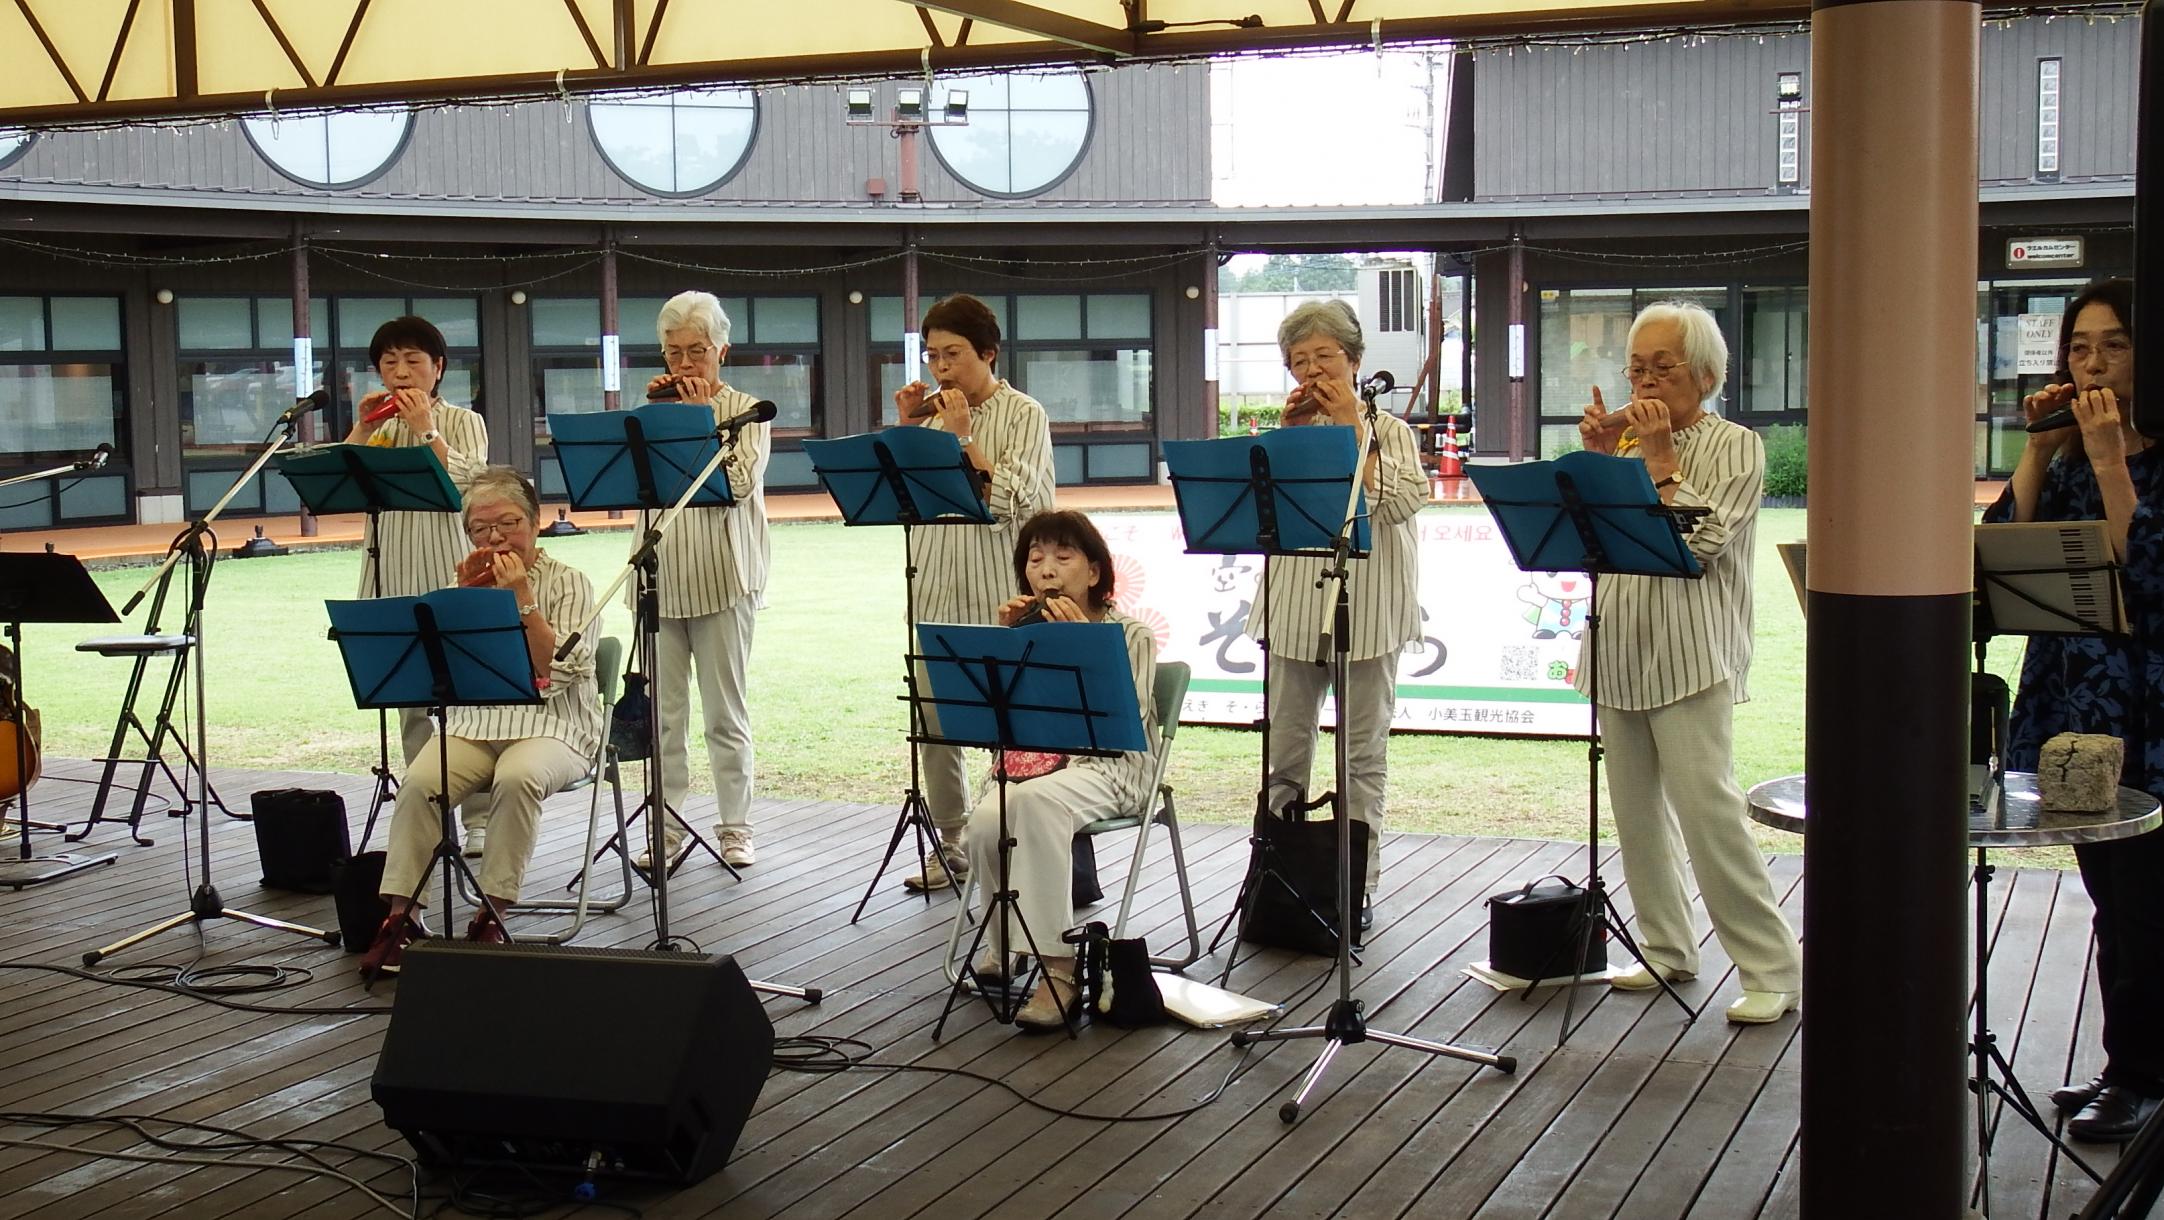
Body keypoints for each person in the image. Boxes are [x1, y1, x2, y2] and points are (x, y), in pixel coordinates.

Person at [1576, 299, 1801, 1025]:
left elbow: (1700, 546)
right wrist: (1590, 462)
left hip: (1692, 652)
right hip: (1617, 644)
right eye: (1636, 366)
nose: (1644, 380)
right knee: (1636, 812)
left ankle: (1771, 967)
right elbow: (1579, 538)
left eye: (1662, 367)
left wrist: (1660, 458)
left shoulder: (1736, 445)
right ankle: (1666, 948)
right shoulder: (1617, 450)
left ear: (1703, 376)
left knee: (1709, 812)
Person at [1987, 278, 2164, 1142]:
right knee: (2108, 892)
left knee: (2148, 896)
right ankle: (2125, 1066)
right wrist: (2038, 447)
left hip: (2148, 710)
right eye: (2081, 347)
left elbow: (2152, 577)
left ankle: (2142, 1077)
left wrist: (2107, 461)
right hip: (2073, 700)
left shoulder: (2151, 453)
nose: (2092, 363)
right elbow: (1998, 549)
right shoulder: (2064, 456)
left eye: (2116, 345)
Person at [356, 467, 600, 979]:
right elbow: (447, 668)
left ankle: (493, 911)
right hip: (477, 721)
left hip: (554, 725)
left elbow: (557, 673)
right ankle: (402, 917)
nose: (494, 538)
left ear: (534, 523)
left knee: (518, 777)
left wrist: (520, 599)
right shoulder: (462, 583)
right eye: (480, 529)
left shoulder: (571, 582)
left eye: (507, 524)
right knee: (422, 781)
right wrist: (462, 605)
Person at [1248, 299, 1428, 931]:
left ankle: (1356, 883)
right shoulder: (1285, 433)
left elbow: (1405, 499)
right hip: (1295, 607)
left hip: (1371, 612)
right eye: (1299, 361)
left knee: (1363, 755)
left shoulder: (1391, 430)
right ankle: (1274, 874)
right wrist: (1285, 441)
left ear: (1354, 362)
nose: (1312, 371)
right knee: (1285, 751)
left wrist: (1356, 431)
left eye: (1325, 356)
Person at [965, 510, 1158, 1029]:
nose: (1046, 569)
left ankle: (1060, 969)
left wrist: (1084, 649)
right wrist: (1004, 648)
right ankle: (1007, 942)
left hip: (1112, 769)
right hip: (1039, 770)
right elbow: (1001, 724)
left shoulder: (1130, 634)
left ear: (1094, 572)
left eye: (1063, 556)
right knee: (987, 817)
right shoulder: (1021, 633)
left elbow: (1124, 723)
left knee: (1032, 802)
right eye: (1034, 558)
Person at [892, 293, 1056, 892]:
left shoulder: (1025, 413)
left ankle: (1011, 840)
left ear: (987, 353)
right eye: (933, 355)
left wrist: (962, 439)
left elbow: (1013, 500)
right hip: (935, 583)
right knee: (936, 727)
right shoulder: (931, 419)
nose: (941, 368)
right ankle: (950, 843)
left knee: (1008, 724)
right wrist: (909, 428)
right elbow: (901, 496)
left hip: (998, 591)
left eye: (954, 354)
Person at [343, 315, 492, 853]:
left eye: (412, 361)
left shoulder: (463, 420)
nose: (400, 373)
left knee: (469, 701)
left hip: (448, 569)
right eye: (389, 363)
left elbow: (469, 484)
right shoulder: (377, 429)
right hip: (390, 572)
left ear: (438, 369)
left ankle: (479, 819)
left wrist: (427, 428)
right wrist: (359, 431)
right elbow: (339, 486)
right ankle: (428, 818)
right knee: (409, 704)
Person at [639, 291, 771, 870]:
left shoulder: (748, 409)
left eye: (698, 352)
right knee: (664, 716)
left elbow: (736, 485)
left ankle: (735, 826)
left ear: (723, 349)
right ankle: (664, 831)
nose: (686, 366)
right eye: (674, 354)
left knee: (724, 713)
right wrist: (660, 420)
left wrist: (701, 418)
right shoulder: (647, 413)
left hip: (724, 575)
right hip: (660, 575)